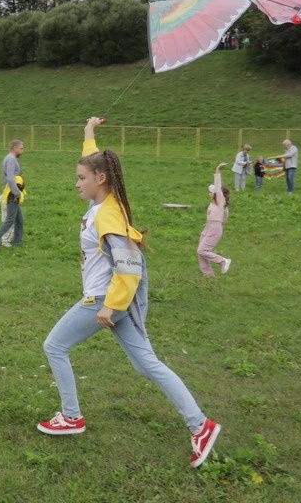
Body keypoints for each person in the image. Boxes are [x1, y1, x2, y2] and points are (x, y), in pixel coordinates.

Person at [37, 116, 221, 468]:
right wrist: (89, 132)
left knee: (54, 345)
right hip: (113, 300)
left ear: (99, 179)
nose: (76, 184)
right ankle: (201, 426)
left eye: (81, 178)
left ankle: (71, 416)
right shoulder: (107, 203)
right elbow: (92, 158)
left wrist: (111, 306)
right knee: (145, 364)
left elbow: (129, 266)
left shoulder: (106, 216)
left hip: (104, 299)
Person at [0, 139, 25, 251]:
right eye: (21, 148)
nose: (22, 151)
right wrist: (16, 192)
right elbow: (10, 178)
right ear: (15, 148)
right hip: (11, 193)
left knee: (19, 220)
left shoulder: (10, 159)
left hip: (12, 192)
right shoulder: (11, 160)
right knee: (10, 219)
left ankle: (18, 241)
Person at [198, 163, 232, 277]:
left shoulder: (220, 202)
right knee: (201, 251)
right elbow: (225, 216)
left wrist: (217, 170)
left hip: (214, 228)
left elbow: (217, 186)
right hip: (208, 227)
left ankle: (223, 261)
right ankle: (208, 274)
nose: (209, 193)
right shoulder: (214, 204)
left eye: (211, 192)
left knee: (202, 250)